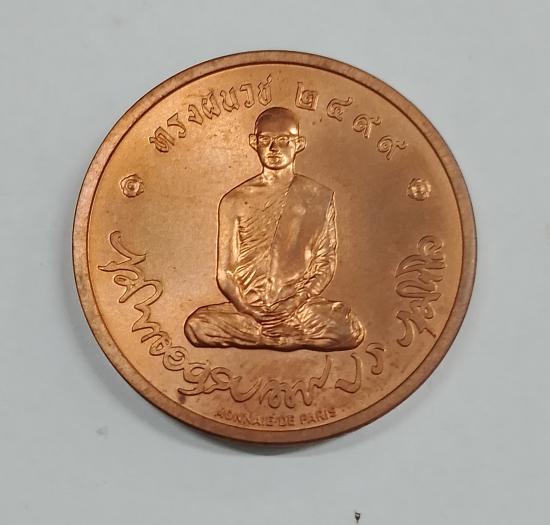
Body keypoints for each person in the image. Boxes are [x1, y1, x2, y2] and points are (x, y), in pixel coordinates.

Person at [184, 107, 364, 350]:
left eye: (283, 140)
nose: (273, 148)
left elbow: (325, 262)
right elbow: (225, 273)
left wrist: (296, 301)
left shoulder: (318, 196)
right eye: (265, 140)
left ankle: (269, 335)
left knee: (350, 329)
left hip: (298, 306)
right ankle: (281, 336)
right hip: (248, 310)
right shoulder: (234, 200)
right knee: (196, 326)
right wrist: (247, 308)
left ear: (299, 144)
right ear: (253, 142)